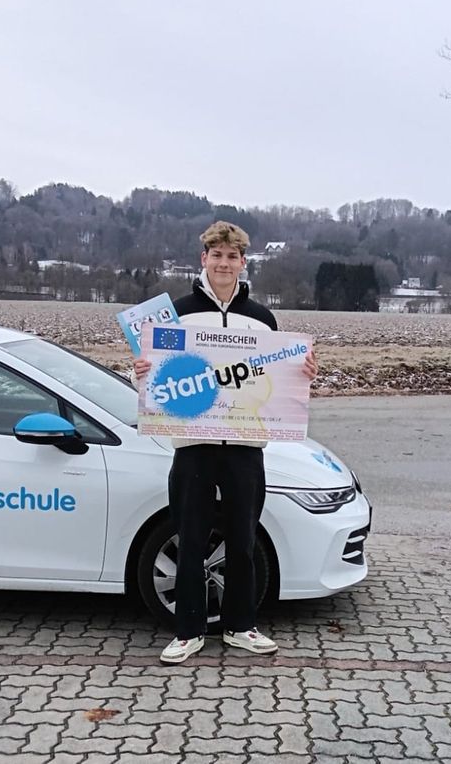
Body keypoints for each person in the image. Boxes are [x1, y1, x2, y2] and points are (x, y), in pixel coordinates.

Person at [133, 221, 318, 664]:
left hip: (246, 444)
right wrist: (140, 373)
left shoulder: (262, 318)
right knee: (191, 538)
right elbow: (157, 377)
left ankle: (240, 626)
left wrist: (303, 373)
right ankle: (189, 630)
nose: (223, 263)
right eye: (216, 255)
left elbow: (274, 374)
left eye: (232, 256)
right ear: (203, 259)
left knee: (241, 539)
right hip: (192, 443)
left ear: (242, 262)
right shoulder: (175, 313)